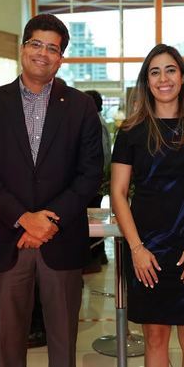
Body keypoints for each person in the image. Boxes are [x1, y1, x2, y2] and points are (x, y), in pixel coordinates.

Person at [0, 13, 102, 367]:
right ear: (23, 48)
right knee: (9, 345)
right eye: (36, 44)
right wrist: (24, 218)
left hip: (62, 240)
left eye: (52, 48)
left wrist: (50, 219)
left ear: (62, 59)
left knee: (63, 344)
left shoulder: (79, 106)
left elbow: (91, 173)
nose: (43, 53)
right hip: (11, 239)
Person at [111, 44, 184, 367]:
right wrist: (136, 249)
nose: (164, 78)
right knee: (155, 337)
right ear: (146, 81)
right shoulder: (131, 131)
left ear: (183, 76)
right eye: (155, 72)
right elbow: (118, 193)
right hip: (147, 250)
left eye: (170, 70)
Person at [84, 89, 111, 270]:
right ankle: (98, 256)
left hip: (94, 181)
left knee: (92, 220)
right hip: (96, 180)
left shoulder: (95, 122)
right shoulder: (96, 121)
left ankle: (95, 258)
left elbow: (100, 155)